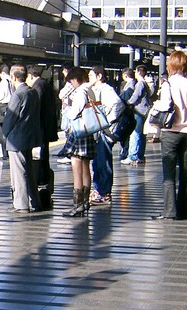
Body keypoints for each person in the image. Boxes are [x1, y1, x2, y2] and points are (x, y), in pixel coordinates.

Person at [150, 50, 187, 221]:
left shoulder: (168, 84)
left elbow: (164, 106)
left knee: (169, 173)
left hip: (171, 132)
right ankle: (185, 210)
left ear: (171, 64)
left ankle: (170, 210)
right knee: (186, 172)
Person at [3, 65, 41, 213]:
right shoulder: (33, 92)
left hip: (16, 139)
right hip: (30, 136)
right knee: (29, 171)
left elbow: (10, 118)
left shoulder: (18, 95)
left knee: (18, 172)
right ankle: (34, 201)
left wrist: (5, 134)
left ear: (13, 77)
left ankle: (21, 204)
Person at [60, 67, 96, 217]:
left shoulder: (80, 92)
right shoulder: (90, 90)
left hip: (79, 133)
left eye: (71, 81)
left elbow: (74, 113)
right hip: (88, 132)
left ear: (75, 79)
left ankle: (77, 205)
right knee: (86, 167)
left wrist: (67, 108)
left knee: (77, 168)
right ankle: (86, 202)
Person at [88, 65, 124, 205]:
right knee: (97, 161)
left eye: (91, 76)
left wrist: (106, 122)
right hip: (100, 131)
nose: (89, 78)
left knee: (103, 161)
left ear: (99, 76)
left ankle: (104, 192)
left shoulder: (107, 90)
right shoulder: (96, 90)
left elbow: (118, 105)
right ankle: (99, 190)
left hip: (105, 131)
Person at [27, 66, 58, 209]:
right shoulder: (46, 84)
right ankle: (45, 190)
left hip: (40, 131)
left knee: (40, 161)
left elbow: (36, 109)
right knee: (44, 159)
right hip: (46, 129)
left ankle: (42, 189)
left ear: (31, 75)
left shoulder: (38, 87)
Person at [120, 65, 150, 166]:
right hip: (144, 111)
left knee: (135, 134)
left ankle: (132, 156)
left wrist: (128, 103)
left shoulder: (140, 84)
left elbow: (135, 97)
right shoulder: (145, 84)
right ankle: (140, 156)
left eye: (136, 72)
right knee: (142, 135)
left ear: (139, 73)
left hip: (138, 111)